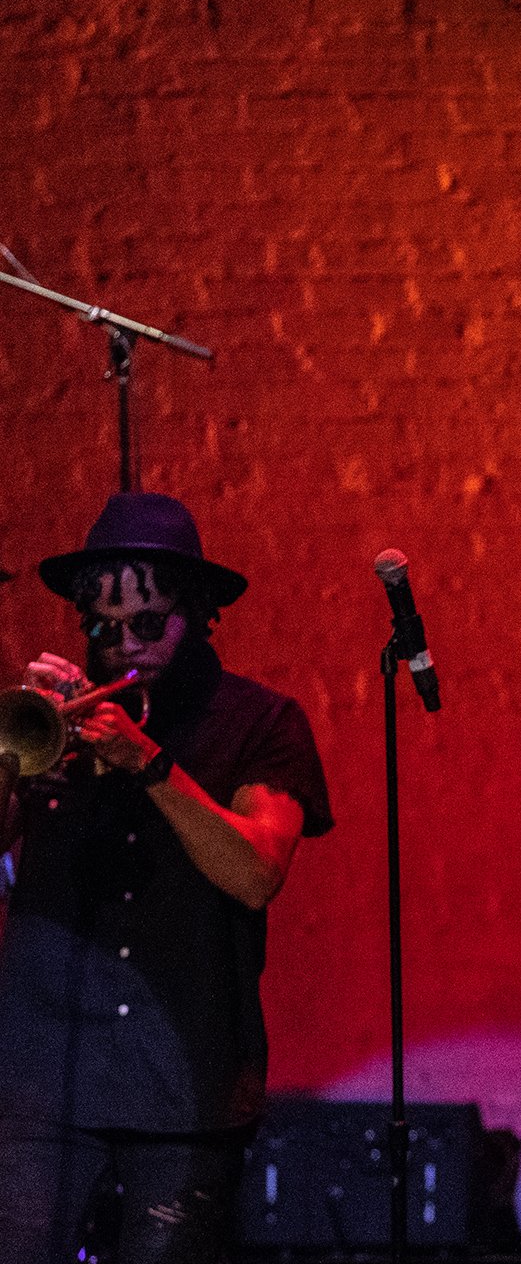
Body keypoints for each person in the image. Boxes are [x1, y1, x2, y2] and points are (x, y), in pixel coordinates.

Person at [0, 492, 331, 1263]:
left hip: (185, 1082)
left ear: (200, 613)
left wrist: (148, 765)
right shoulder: (58, 718)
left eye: (148, 624)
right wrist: (14, 756)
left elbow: (255, 873)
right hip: (40, 1074)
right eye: (103, 628)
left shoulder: (261, 722)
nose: (123, 648)